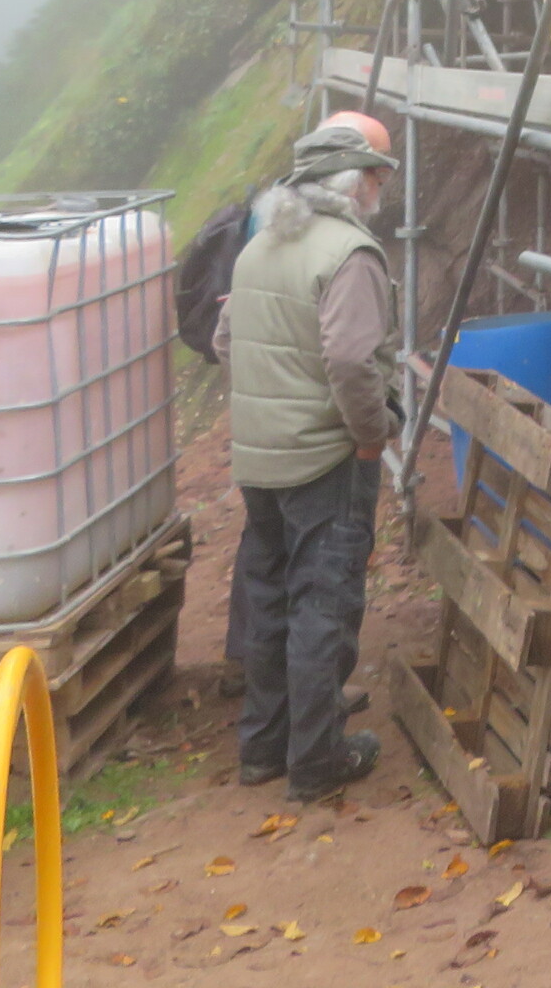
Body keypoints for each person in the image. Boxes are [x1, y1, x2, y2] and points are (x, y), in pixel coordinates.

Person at [212, 118, 401, 802]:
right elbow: (350, 360)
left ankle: (263, 748)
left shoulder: (260, 246)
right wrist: (371, 433)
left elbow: (225, 341)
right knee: (324, 605)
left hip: (259, 458)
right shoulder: (350, 253)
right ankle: (317, 759)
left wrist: (268, 409)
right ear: (354, 182)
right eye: (376, 173)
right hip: (324, 457)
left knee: (268, 600)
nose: (380, 185)